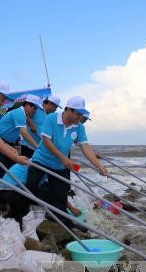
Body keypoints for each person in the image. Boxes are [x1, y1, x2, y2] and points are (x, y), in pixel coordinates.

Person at [26, 96, 107, 229]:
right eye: (77, 113)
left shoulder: (79, 127)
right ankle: (40, 209)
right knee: (30, 186)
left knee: (61, 196)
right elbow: (46, 141)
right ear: (68, 110)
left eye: (81, 114)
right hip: (41, 160)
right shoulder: (52, 119)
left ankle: (67, 226)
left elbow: (85, 147)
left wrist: (99, 165)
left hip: (59, 166)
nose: (79, 117)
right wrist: (63, 158)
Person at [0, 94, 41, 207]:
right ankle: (0, 201)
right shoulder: (18, 113)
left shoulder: (22, 115)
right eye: (34, 108)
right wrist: (38, 147)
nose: (34, 111)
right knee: (1, 169)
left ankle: (9, 196)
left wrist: (29, 120)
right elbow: (24, 133)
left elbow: (33, 129)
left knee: (9, 171)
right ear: (27, 105)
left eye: (36, 109)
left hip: (8, 144)